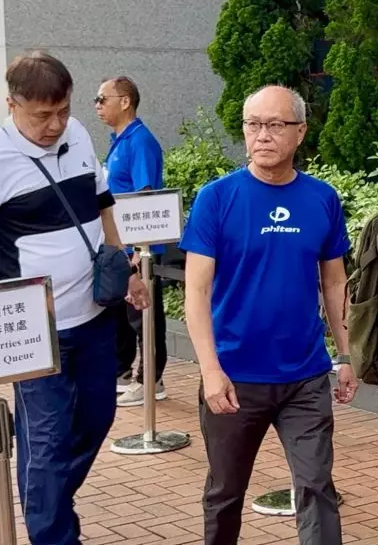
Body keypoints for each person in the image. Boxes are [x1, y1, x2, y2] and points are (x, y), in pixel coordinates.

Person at [180, 84, 359, 545]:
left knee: (317, 488)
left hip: (305, 377)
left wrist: (346, 354)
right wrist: (210, 370)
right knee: (225, 493)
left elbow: (334, 282)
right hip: (234, 379)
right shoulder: (216, 198)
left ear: (300, 132)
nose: (262, 135)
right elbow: (196, 291)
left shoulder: (322, 199)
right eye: (253, 124)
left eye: (276, 124)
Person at [0, 51, 149, 544]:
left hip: (94, 315)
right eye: (43, 115)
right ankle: (54, 534)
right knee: (46, 440)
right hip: (35, 334)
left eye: (63, 110)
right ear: (12, 105)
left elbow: (104, 205)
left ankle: (52, 507)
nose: (55, 125)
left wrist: (127, 268)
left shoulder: (79, 134)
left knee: (97, 417)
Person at [94, 75, 170, 407]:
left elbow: (145, 196)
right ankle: (122, 372)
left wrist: (140, 251)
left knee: (145, 316)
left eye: (102, 99)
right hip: (119, 247)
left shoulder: (140, 142)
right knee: (122, 315)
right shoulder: (119, 141)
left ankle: (152, 380)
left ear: (125, 102)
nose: (97, 106)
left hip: (139, 250)